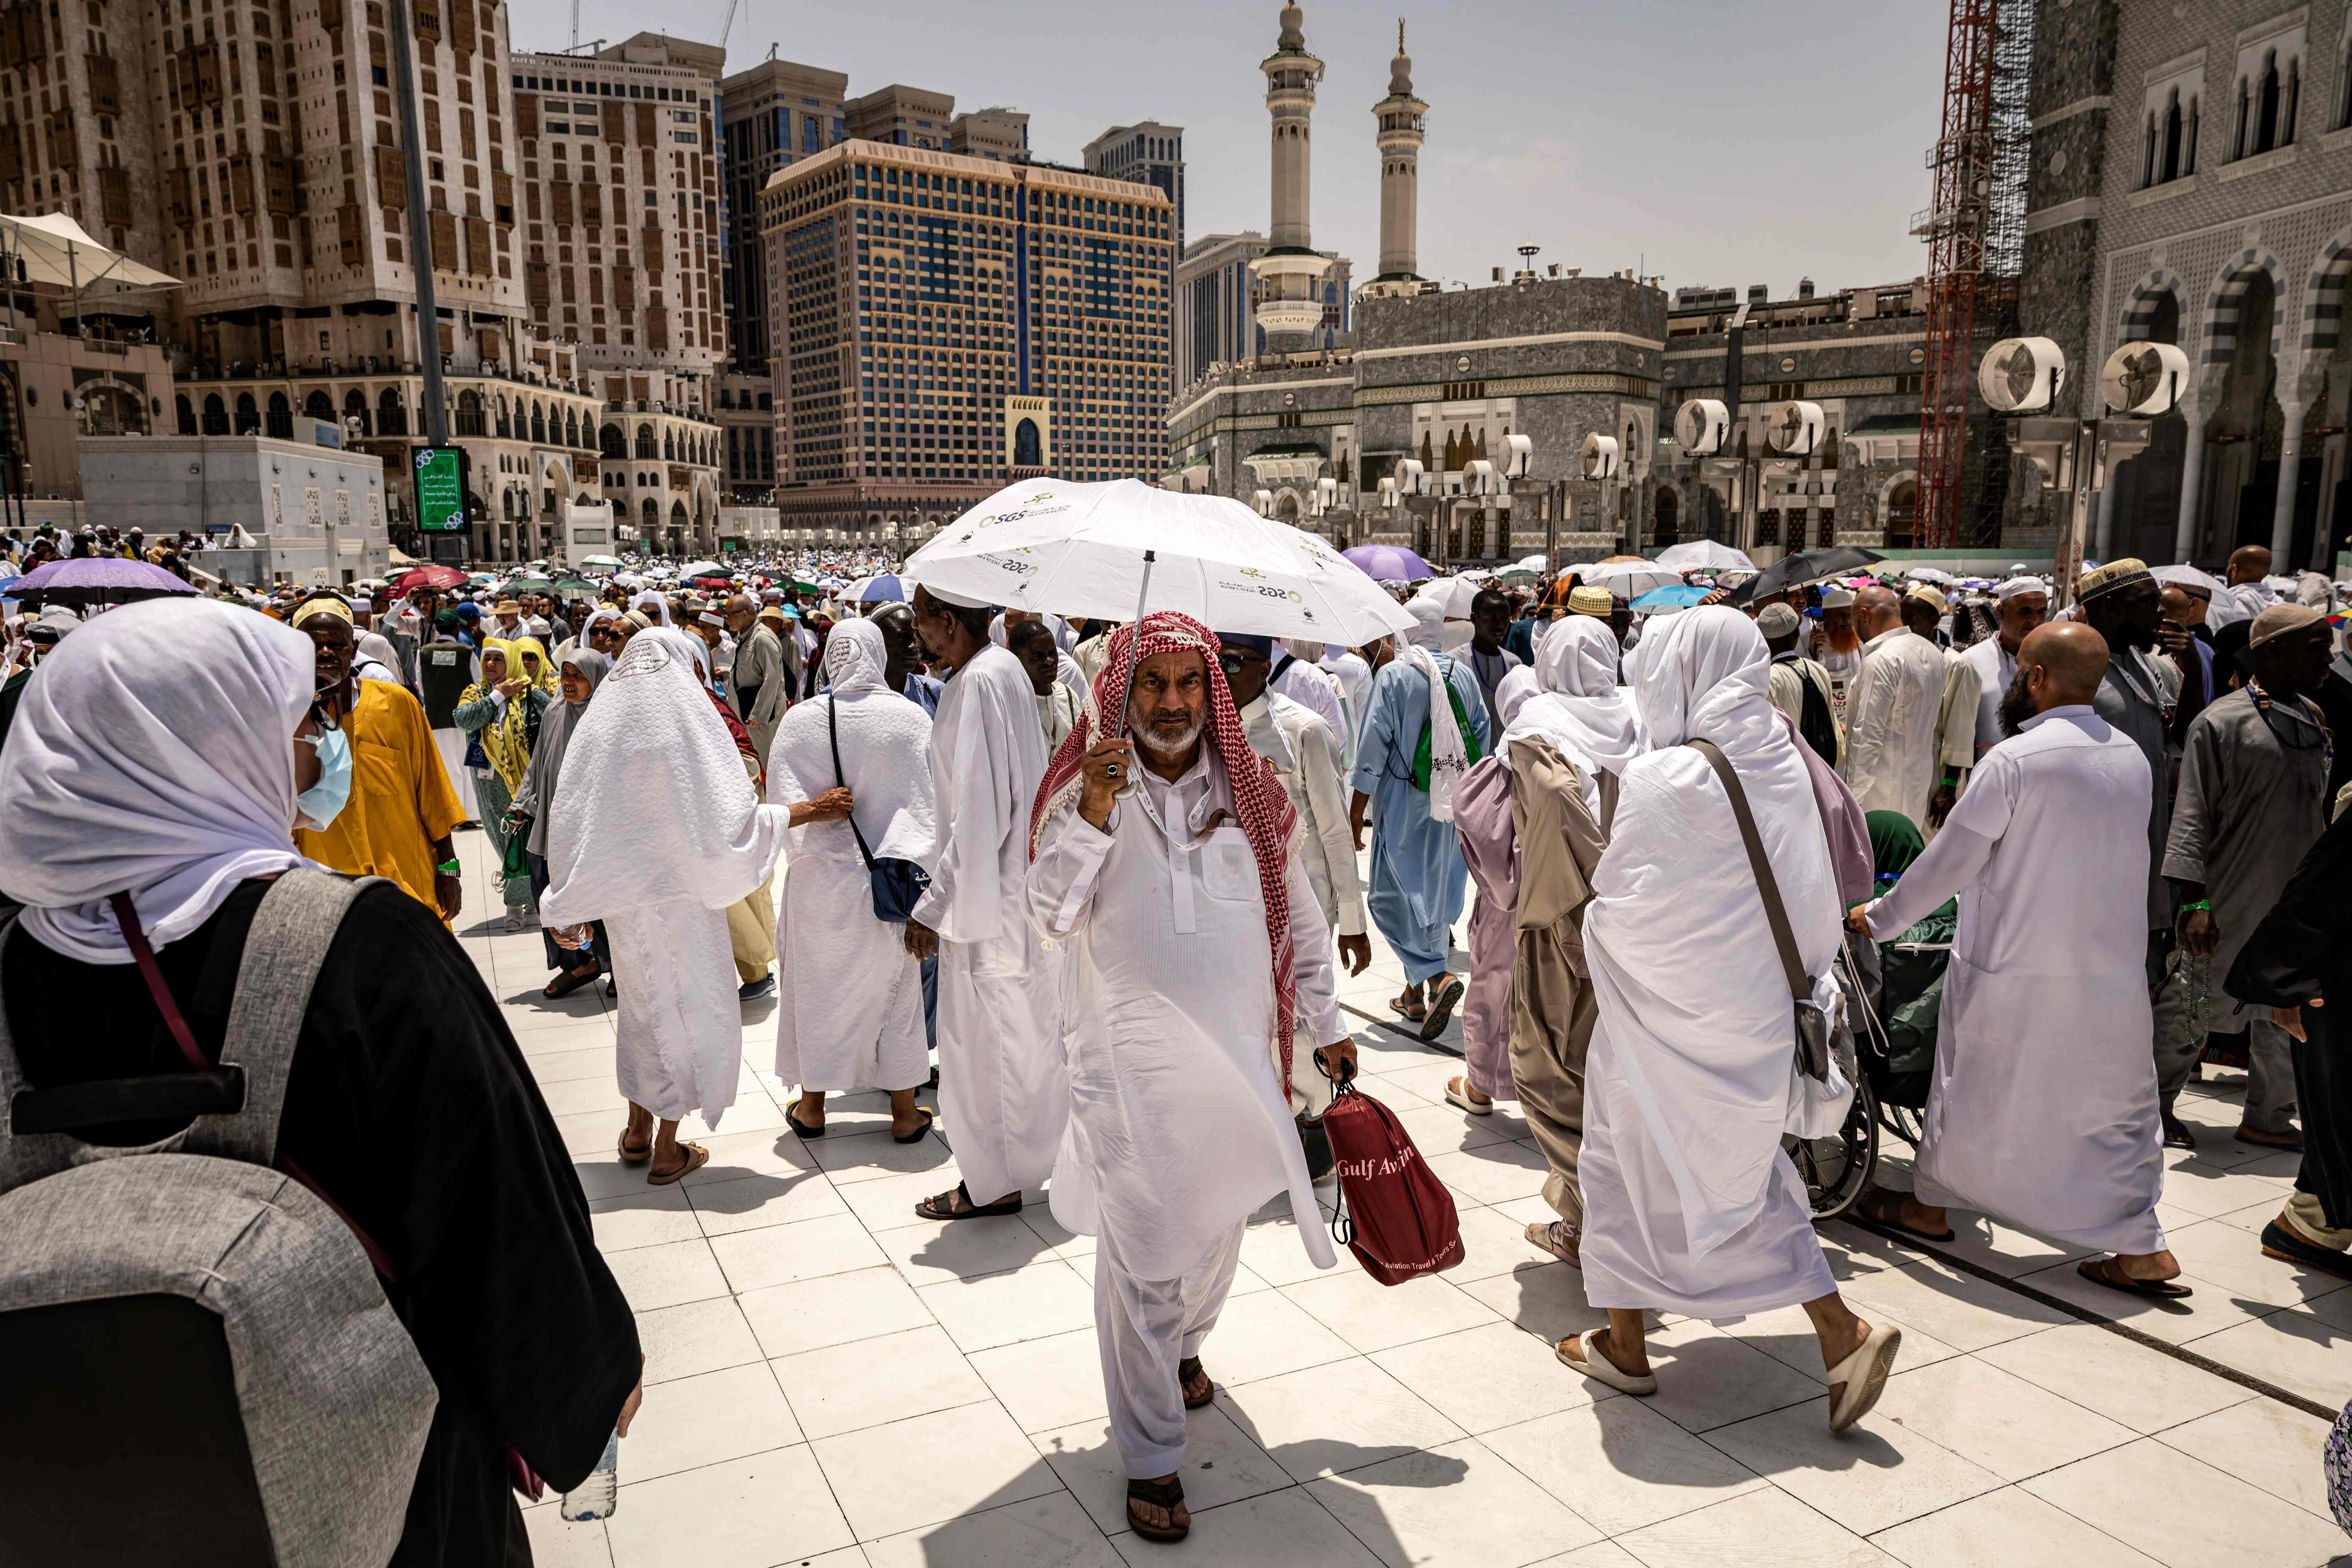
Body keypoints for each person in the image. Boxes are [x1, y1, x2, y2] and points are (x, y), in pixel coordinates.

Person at [0, 598, 642, 1565]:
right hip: (383, 1469)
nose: (314, 752)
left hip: (88, 1484)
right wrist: (585, 1387)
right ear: (213, 745)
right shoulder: (357, 946)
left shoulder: (11, 969)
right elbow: (497, 1200)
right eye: (300, 726)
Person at [1025, 613, 1355, 1544]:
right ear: (1120, 693)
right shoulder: (1082, 791)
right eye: (1150, 685)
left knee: (1216, 1224)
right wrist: (1092, 815)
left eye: (1185, 684)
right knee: (1142, 1245)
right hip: (1124, 1068)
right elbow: (1049, 916)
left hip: (1238, 1060)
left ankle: (1183, 1352)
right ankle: (1151, 1453)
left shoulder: (1255, 794)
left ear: (1209, 690)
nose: (1170, 703)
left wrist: (1326, 1024)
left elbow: (1299, 920)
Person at [1565, 606, 1900, 1429]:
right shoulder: (1787, 756)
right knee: (1736, 1171)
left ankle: (1824, 1328)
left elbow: (1624, 908)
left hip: (1668, 1022)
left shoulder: (1666, 777)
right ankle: (1635, 1339)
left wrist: (1599, 932)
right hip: (1756, 1020)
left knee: (1627, 1164)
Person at [1853, 622, 2183, 1293]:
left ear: (2034, 677)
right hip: (2109, 976)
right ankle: (2141, 1246)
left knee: (1975, 1094)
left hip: (2017, 972)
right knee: (2111, 1107)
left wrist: (1877, 918)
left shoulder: (2015, 760)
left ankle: (1928, 1208)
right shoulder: (2130, 757)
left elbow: (1947, 863)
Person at [540, 629, 789, 1185]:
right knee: (691, 1013)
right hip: (685, 902)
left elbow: (571, 813)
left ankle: (635, 1131)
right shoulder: (689, 718)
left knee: (642, 1008)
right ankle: (669, 1148)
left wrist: (566, 899)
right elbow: (735, 811)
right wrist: (791, 818)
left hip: (627, 905)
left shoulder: (601, 724)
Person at [1461, 619, 1638, 1252]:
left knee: (1552, 1074)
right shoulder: (1641, 716)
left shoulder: (1538, 730)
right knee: (1613, 1072)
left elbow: (1492, 825)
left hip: (1559, 921)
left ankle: (1592, 1225)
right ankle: (1597, 1208)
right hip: (1636, 918)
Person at [905, 585, 1065, 1220]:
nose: (919, 636)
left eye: (923, 623)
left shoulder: (977, 684)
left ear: (948, 622)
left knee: (984, 1054)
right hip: (1008, 898)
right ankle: (1011, 1171)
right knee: (1017, 1046)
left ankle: (994, 1184)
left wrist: (933, 905)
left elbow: (978, 812)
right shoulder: (999, 672)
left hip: (986, 903)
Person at [2164, 603, 2334, 1152]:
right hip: (2230, 894)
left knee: (2284, 1008)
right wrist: (2194, 904)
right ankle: (2153, 1107)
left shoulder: (2312, 716)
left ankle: (2267, 1114)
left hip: (2294, 899)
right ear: (2273, 651)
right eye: (2316, 646)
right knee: (2194, 1005)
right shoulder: (2220, 723)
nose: (2330, 655)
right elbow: (2192, 815)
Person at [770, 619, 937, 1141]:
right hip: (890, 887)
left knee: (817, 993)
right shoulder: (910, 720)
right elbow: (933, 809)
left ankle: (814, 1106)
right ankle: (906, 1114)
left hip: (820, 883)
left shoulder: (801, 721)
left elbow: (782, 805)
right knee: (896, 996)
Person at [1222, 629, 1370, 1167]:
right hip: (1235, 912)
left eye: (1233, 662)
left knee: (1306, 1014)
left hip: (1302, 908)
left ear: (1264, 667)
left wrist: (1352, 920)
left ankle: (1310, 1129)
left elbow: (1334, 833)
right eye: (1214, 660)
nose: (1223, 671)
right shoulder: (1209, 734)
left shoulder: (1304, 732)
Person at [1349, 598, 1489, 1038]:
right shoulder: (1463, 676)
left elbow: (1371, 750)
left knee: (1390, 898)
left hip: (1403, 803)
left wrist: (1356, 811)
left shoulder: (1394, 675)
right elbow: (1481, 739)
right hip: (1454, 804)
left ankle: (1436, 976)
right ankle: (1414, 996)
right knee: (1434, 889)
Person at [2228, 797, 2352, 1279]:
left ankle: (2309, 1224)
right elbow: (2318, 888)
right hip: (2334, 983)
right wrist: (2284, 980)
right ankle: (2308, 1224)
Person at [290, 598, 466, 925]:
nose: (326, 652)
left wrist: (449, 870)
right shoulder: (284, 720)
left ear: (354, 648)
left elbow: (433, 794)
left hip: (406, 882)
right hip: (327, 895)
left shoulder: (397, 705)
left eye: (337, 645)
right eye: (314, 645)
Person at [1842, 586, 1973, 828]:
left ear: (1865, 616)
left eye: (1854, 622)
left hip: (1878, 798)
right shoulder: (1933, 654)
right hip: (1916, 791)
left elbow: (1867, 736)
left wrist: (1852, 798)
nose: (1856, 631)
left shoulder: (1882, 659)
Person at [451, 641, 546, 930]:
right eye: (487, 659)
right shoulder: (475, 693)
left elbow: (555, 719)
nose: (490, 664)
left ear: (513, 662)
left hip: (528, 781)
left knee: (528, 840)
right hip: (490, 782)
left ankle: (519, 903)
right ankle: (522, 900)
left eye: (498, 659)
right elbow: (464, 720)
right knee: (502, 838)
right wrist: (496, 696)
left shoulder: (531, 692)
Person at [1959, 577, 2048, 760]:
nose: (2035, 620)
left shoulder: (2055, 658)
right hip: (1988, 770)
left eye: (2042, 612)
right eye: (2025, 612)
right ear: (2001, 612)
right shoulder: (1971, 660)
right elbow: (1959, 729)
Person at [1761, 601, 1842, 768]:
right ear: (1797, 634)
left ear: (1764, 641)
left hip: (1796, 768)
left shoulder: (1768, 680)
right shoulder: (1819, 670)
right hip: (1828, 764)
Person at [724, 592, 790, 765]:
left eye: (730, 615)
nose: (727, 620)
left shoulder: (762, 638)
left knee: (764, 763)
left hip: (761, 719)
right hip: (747, 713)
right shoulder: (746, 637)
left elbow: (773, 678)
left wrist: (760, 714)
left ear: (744, 614)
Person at [1008, 615, 1083, 751]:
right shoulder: (1013, 704)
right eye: (1038, 656)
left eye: (1052, 652)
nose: (1049, 660)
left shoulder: (1068, 695)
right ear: (1017, 660)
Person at [1462, 586, 1523, 737]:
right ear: (1474, 619)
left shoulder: (1514, 665)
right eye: (1492, 619)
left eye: (1505, 619)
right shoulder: (1457, 663)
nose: (1500, 626)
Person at [872, 601, 942, 717]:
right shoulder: (847, 696)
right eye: (903, 638)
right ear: (877, 641)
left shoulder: (935, 693)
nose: (914, 646)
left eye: (916, 637)